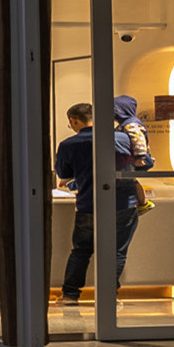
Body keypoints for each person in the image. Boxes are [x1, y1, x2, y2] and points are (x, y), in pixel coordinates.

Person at [54, 102, 140, 305]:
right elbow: (141, 164)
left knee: (81, 251)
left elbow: (64, 173)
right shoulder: (123, 138)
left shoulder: (68, 145)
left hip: (89, 203)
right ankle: (108, 296)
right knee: (117, 251)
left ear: (74, 121)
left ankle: (70, 295)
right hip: (124, 203)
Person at [113, 95, 157, 213]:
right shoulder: (125, 124)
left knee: (132, 180)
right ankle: (142, 203)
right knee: (132, 180)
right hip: (133, 157)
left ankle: (143, 202)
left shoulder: (131, 124)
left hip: (138, 158)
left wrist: (139, 157)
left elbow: (138, 140)